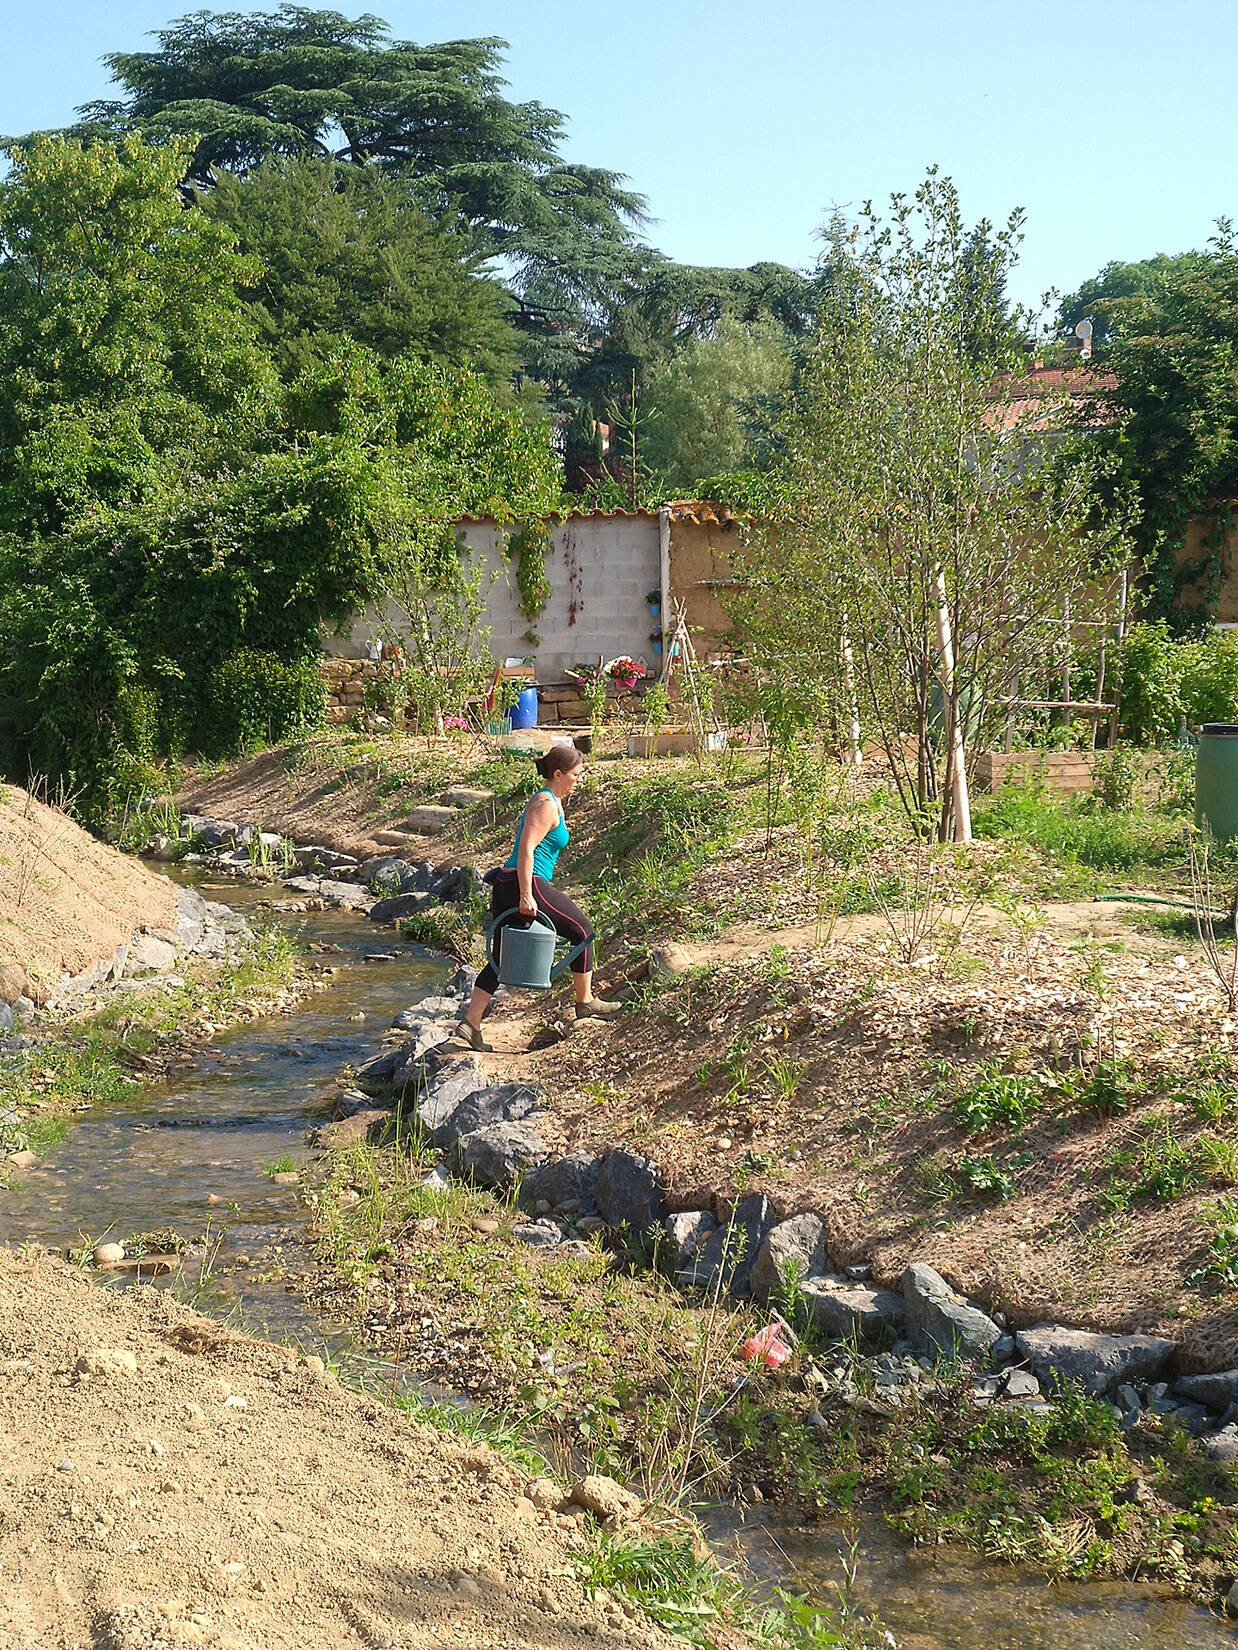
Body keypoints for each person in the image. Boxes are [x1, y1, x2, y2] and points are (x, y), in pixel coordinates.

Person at [458, 744, 622, 1050]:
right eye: (576, 775)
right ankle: (585, 1001)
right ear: (558, 774)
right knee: (583, 931)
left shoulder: (553, 800)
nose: (579, 780)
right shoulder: (546, 804)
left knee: (500, 958)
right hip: (525, 883)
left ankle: (471, 1023)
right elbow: (526, 849)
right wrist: (526, 894)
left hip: (512, 882)